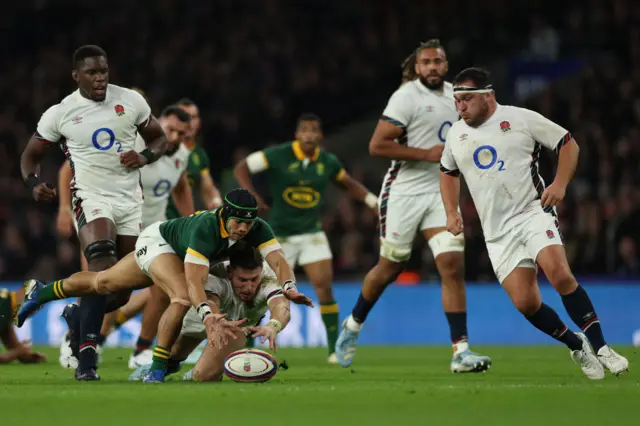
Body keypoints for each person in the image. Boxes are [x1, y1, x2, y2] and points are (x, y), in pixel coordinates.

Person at [439, 67, 629, 379]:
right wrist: (450, 211)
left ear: (488, 96)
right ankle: (575, 344)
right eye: (456, 100)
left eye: (466, 99)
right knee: (526, 302)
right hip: (497, 232)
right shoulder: (456, 135)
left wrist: (560, 184)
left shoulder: (519, 118)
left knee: (559, 274)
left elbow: (568, 143)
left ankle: (603, 348)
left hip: (532, 211)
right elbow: (447, 172)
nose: (460, 106)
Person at [15, 188, 313, 383]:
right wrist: (208, 316)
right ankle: (157, 369)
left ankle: (40, 291)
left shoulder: (257, 228)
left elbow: (278, 260)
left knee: (102, 282)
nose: (244, 229)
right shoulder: (206, 229)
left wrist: (288, 284)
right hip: (160, 243)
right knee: (182, 297)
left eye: (248, 224)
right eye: (238, 222)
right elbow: (194, 282)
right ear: (225, 213)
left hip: (173, 251)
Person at [336, 40, 491, 372]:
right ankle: (353, 324)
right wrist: (426, 154)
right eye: (426, 62)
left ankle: (461, 352)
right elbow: (377, 145)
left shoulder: (458, 97)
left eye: (438, 61)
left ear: (446, 66)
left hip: (440, 193)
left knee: (452, 265)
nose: (432, 67)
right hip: (403, 192)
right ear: (417, 67)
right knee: (390, 267)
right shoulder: (406, 97)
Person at [19, 45, 168, 380]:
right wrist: (33, 183)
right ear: (76, 76)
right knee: (101, 261)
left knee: (119, 288)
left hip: (130, 200)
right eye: (92, 72)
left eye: (103, 71)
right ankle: (86, 362)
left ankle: (64, 306)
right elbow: (30, 155)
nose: (100, 77)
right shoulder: (61, 113)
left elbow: (160, 140)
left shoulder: (131, 100)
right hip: (90, 197)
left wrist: (144, 157)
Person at [57, 104, 195, 369]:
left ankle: (142, 349)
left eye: (182, 133)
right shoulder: (131, 141)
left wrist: (190, 223)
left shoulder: (182, 157)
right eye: (171, 130)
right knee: (102, 285)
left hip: (154, 230)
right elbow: (68, 169)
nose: (175, 138)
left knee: (163, 287)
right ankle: (78, 334)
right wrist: (66, 208)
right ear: (159, 123)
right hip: (115, 223)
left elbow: (180, 188)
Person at [234, 113, 378, 363]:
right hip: (278, 237)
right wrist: (252, 194)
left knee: (325, 289)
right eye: (305, 130)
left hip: (311, 233)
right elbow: (242, 167)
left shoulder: (328, 162)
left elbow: (348, 183)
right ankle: (248, 343)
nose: (309, 135)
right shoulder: (279, 154)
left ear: (320, 136)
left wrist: (372, 201)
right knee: (259, 290)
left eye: (314, 130)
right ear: (297, 135)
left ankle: (334, 350)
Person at [129, 242, 290, 382]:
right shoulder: (214, 274)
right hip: (206, 316)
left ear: (261, 270)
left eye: (254, 279)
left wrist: (273, 325)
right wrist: (216, 320)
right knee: (174, 355)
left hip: (238, 325)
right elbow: (212, 301)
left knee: (204, 377)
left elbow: (281, 306)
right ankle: (163, 366)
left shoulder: (270, 278)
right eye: (242, 280)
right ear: (229, 271)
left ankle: (197, 373)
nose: (248, 287)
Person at [165, 98, 223, 219]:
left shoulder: (199, 154)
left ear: (199, 123)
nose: (189, 122)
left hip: (182, 222)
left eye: (193, 117)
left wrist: (216, 202)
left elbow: (208, 189)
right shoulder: (162, 148)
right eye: (184, 116)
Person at [0, 288, 47, 364]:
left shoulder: (7, 304)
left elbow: (14, 347)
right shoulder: (3, 308)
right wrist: (18, 352)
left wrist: (25, 355)